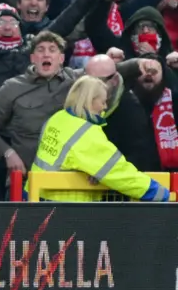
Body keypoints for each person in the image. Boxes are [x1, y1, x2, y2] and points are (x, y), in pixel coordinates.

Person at [27, 75, 170, 202]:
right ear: (90, 101)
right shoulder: (86, 134)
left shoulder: (58, 118)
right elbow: (119, 173)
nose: (105, 106)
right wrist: (162, 193)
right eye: (103, 101)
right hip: (67, 206)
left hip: (35, 196)